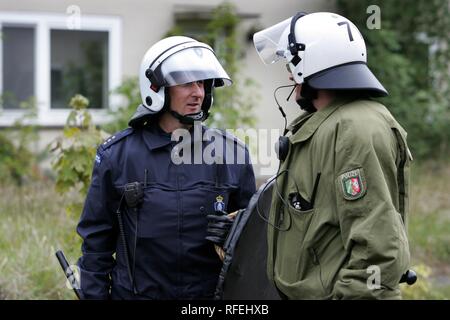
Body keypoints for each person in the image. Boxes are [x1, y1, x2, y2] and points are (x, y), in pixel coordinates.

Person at [76, 36, 256, 300]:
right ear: (157, 88)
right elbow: (95, 247)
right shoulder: (118, 156)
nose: (198, 92)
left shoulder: (232, 154)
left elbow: (255, 246)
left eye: (202, 83)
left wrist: (234, 235)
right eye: (186, 83)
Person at [253, 12, 412, 299]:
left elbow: (375, 246)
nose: (289, 73)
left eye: (292, 63)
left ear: (313, 63)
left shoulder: (355, 129)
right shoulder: (327, 123)